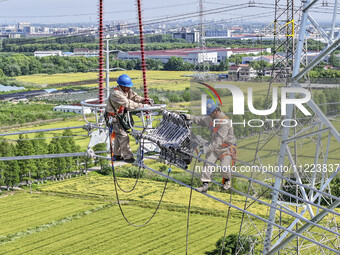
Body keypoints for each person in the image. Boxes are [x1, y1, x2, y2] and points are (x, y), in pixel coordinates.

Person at [186, 99, 237, 193]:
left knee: (224, 167)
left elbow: (218, 141)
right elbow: (200, 120)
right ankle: (204, 185)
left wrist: (206, 149)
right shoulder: (211, 118)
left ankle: (227, 179)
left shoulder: (224, 122)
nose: (209, 115)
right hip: (214, 147)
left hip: (225, 149)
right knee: (208, 163)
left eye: (210, 113)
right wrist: (190, 117)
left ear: (216, 111)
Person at [105, 74, 152, 163]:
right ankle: (127, 157)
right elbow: (128, 104)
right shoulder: (116, 94)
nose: (129, 88)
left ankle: (117, 154)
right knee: (123, 136)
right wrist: (142, 105)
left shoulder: (126, 91)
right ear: (122, 86)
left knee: (119, 135)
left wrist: (144, 100)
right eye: (127, 87)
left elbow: (134, 97)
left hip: (118, 117)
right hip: (112, 118)